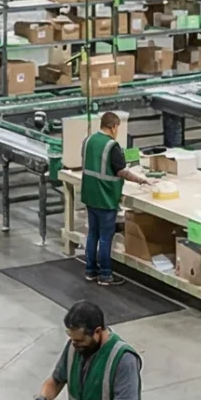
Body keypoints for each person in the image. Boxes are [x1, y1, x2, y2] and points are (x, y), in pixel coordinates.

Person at [79, 110, 152, 284]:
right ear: (113, 127)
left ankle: (90, 271)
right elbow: (121, 171)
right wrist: (141, 180)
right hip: (105, 196)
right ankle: (105, 275)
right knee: (105, 237)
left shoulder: (88, 140)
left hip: (90, 194)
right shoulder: (112, 146)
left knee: (92, 234)